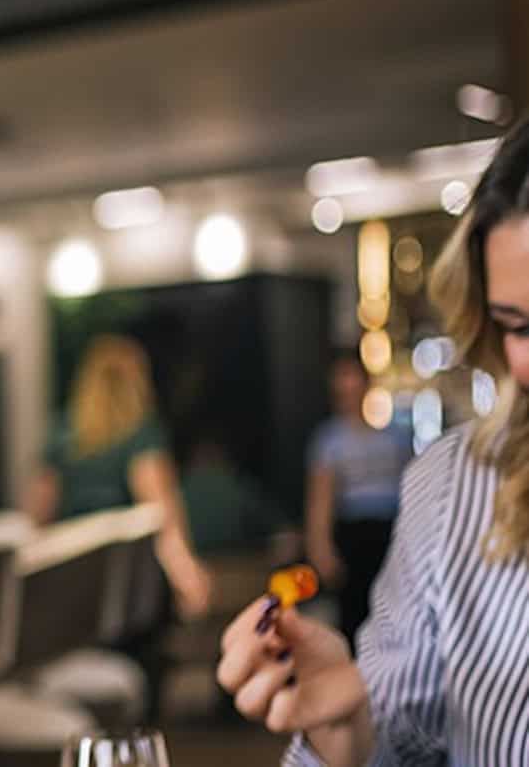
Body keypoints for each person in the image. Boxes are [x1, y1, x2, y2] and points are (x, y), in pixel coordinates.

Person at [217, 120, 529, 765]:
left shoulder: (391, 439)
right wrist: (348, 732)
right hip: (365, 535)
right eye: (519, 327)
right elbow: (399, 739)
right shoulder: (451, 487)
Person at [27, 335, 214, 618]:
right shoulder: (140, 435)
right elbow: (160, 514)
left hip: (71, 580)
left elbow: (37, 517)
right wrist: (187, 576)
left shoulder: (61, 434)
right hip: (121, 585)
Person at [303, 354, 412, 647]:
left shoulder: (395, 437)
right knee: (355, 617)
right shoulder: (329, 440)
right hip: (353, 534)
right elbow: (321, 497)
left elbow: (410, 490)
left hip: (391, 532)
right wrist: (320, 547)